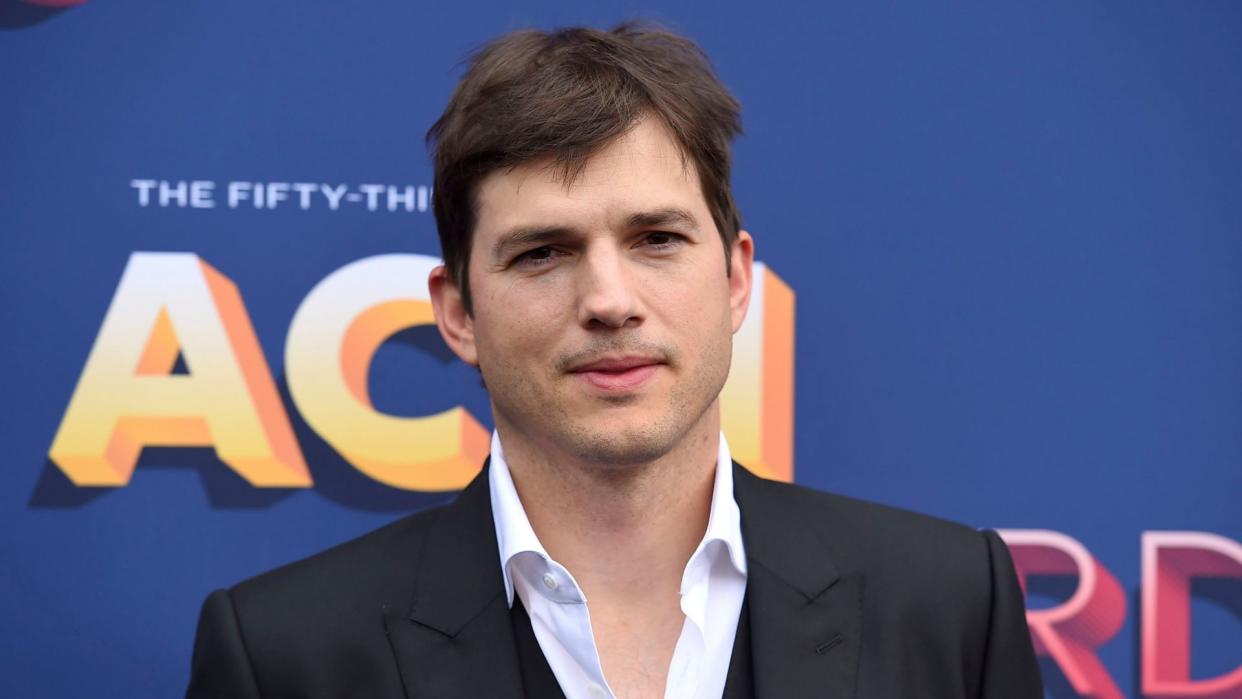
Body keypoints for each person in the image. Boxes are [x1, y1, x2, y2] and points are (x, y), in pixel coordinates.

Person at [186, 23, 1043, 699]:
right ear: (458, 314)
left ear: (738, 277)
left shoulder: (950, 603)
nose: (609, 298)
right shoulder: (282, 655)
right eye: (543, 253)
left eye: (657, 239)